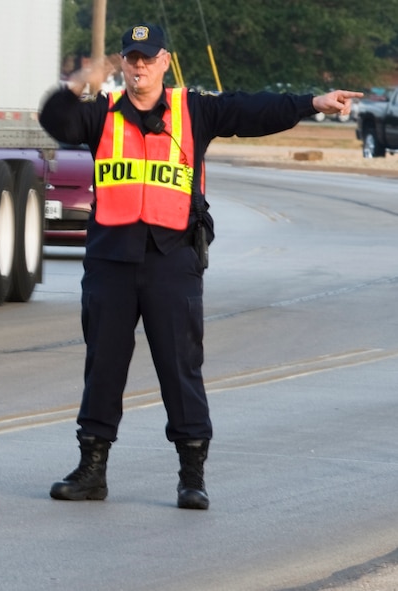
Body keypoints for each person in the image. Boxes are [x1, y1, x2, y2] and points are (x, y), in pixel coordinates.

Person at [39, 23, 361, 510]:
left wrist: (313, 102)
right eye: (131, 58)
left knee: (180, 367)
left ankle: (192, 475)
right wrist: (84, 76)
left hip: (173, 260)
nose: (139, 65)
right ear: (124, 64)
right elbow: (55, 118)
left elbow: (253, 109)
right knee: (103, 367)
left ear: (165, 61)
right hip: (112, 260)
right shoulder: (101, 115)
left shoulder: (195, 110)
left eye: (148, 57)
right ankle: (92, 470)